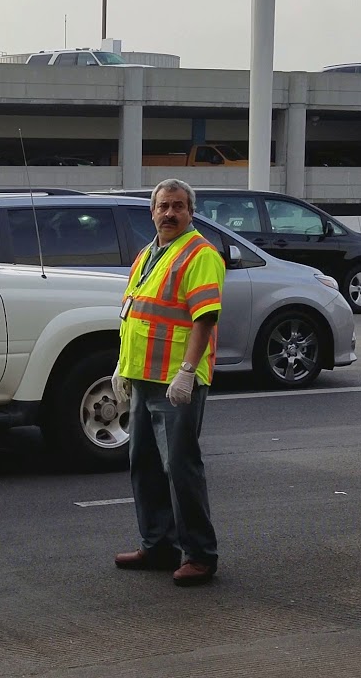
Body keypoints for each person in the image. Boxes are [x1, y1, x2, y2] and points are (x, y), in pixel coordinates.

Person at [112, 178, 226, 587]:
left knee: (179, 467)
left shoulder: (201, 254)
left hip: (177, 383)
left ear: (190, 212)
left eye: (178, 206)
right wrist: (122, 368)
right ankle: (159, 544)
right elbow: (134, 314)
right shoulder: (148, 254)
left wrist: (187, 371)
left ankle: (199, 555)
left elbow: (205, 318)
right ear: (152, 211)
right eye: (163, 206)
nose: (170, 213)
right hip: (144, 378)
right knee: (143, 464)